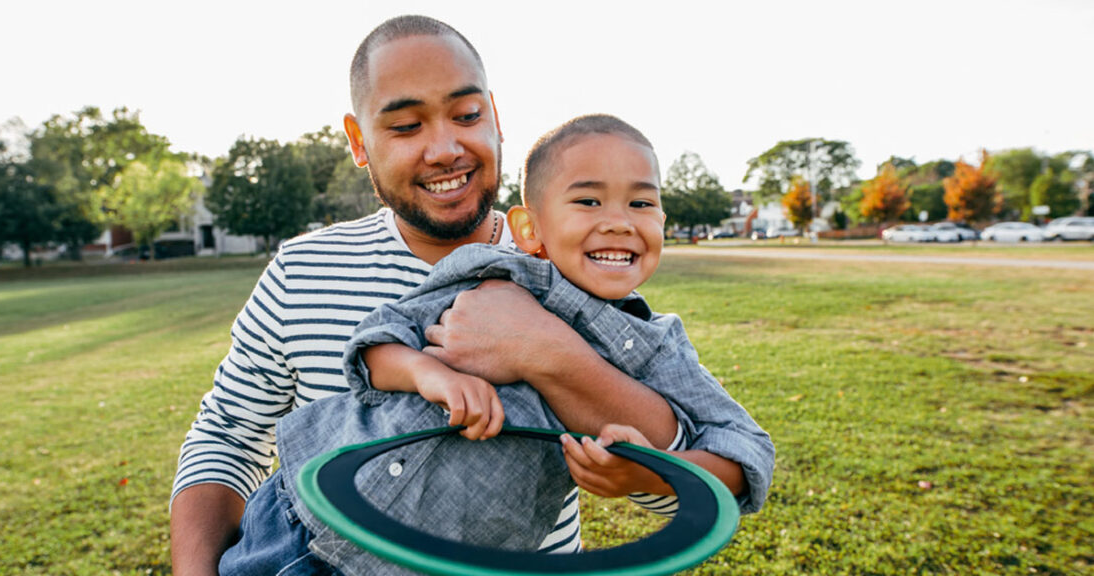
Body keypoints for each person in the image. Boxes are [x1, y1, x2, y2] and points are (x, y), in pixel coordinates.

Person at [170, 15, 681, 576]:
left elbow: (675, 480)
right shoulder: (302, 271)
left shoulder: (577, 268)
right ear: (359, 142)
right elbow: (227, 438)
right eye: (407, 126)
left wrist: (547, 351)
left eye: (467, 115)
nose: (444, 149)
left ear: (496, 116)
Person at [240, 114, 774, 574]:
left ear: (661, 220)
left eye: (641, 203)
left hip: (439, 564)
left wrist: (649, 472)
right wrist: (432, 375)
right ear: (528, 227)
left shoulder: (654, 349)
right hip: (294, 516)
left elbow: (745, 454)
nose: (618, 221)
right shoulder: (488, 273)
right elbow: (379, 343)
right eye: (588, 200)